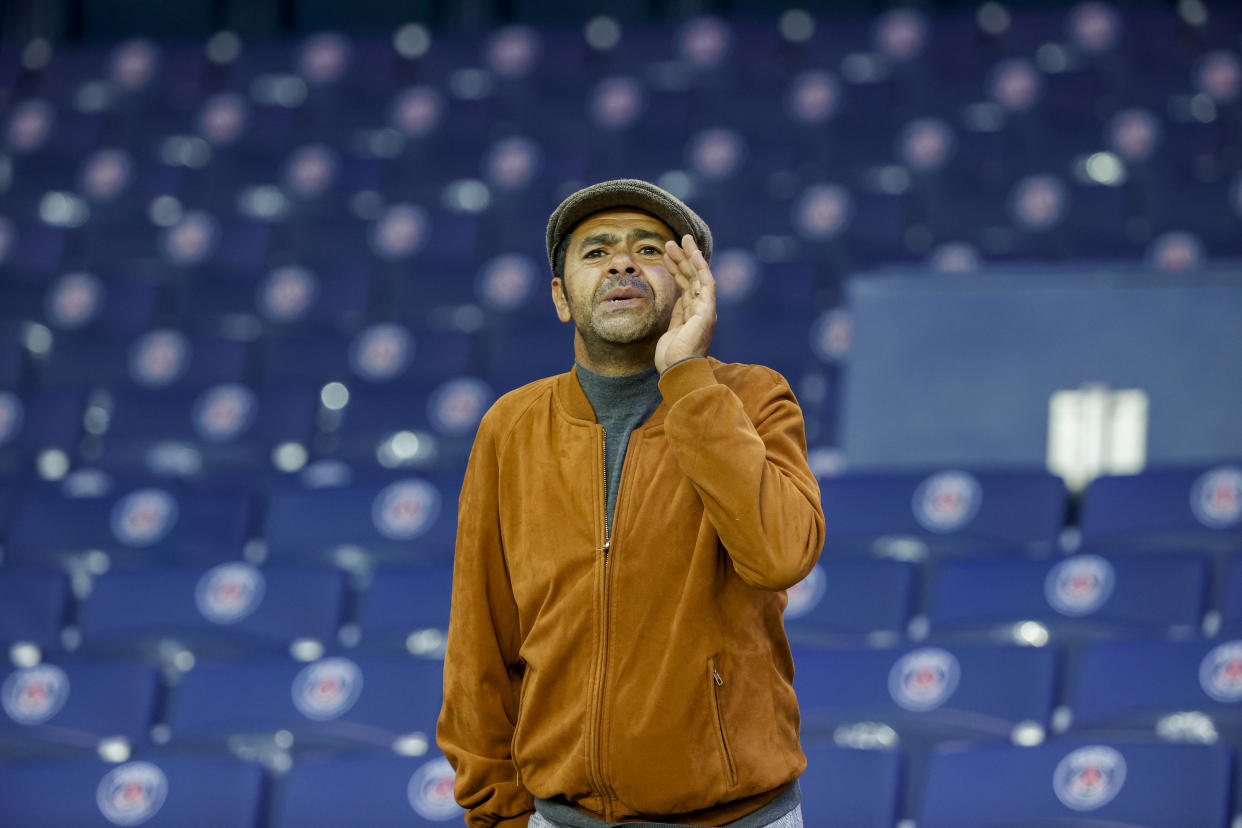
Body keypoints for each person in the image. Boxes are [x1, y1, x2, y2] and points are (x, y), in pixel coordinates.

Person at [437, 179, 825, 827]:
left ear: (690, 286)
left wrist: (688, 380)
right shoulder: (511, 426)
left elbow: (781, 555)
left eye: (649, 249)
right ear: (562, 297)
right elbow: (480, 639)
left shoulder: (752, 398)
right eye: (596, 252)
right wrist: (497, 815)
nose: (621, 262)